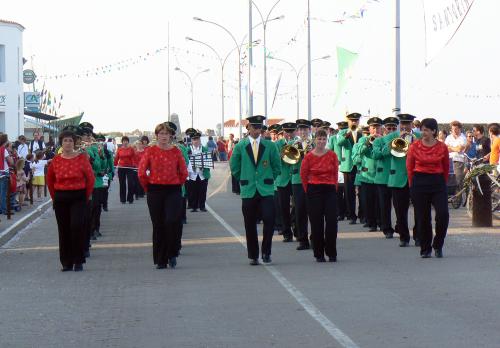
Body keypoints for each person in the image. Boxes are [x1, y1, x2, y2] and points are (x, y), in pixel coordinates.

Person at [229, 115, 281, 265]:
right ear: (248, 128)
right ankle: (253, 254)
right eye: (255, 127)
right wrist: (243, 179)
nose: (257, 130)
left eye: (260, 128)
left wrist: (270, 178)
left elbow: (276, 166)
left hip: (266, 189)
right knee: (249, 223)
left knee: (269, 220)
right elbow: (234, 166)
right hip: (248, 189)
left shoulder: (270, 146)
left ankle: (266, 252)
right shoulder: (240, 146)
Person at [138, 122, 188, 269]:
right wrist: (148, 187)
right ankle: (161, 259)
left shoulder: (176, 151)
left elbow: (183, 172)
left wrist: (177, 183)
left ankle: (172, 253)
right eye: (161, 134)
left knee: (172, 221)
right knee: (158, 224)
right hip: (155, 190)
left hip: (173, 190)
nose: (164, 136)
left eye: (166, 134)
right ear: (157, 135)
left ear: (171, 136)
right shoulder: (150, 151)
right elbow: (141, 172)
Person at [46, 129, 95, 271]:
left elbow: (90, 178)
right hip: (61, 197)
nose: (68, 143)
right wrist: (55, 197)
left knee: (76, 226)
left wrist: (86, 196)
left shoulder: (81, 158)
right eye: (65, 140)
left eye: (71, 140)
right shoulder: (56, 160)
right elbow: (50, 180)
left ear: (75, 143)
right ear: (61, 143)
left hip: (79, 197)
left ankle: (78, 259)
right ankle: (66, 262)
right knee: (64, 229)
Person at [407, 118, 449, 258]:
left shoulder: (442, 147)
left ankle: (438, 245)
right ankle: (425, 249)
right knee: (423, 218)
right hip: (419, 182)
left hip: (437, 182)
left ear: (434, 131)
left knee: (443, 215)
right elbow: (409, 167)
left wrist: (443, 184)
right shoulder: (414, 147)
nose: (423, 132)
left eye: (426, 130)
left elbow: (446, 168)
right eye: (422, 129)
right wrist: (412, 185)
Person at [376, 114, 421, 247]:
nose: (405, 126)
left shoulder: (418, 137)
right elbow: (383, 153)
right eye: (403, 123)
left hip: (415, 177)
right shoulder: (391, 136)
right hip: (397, 178)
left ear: (412, 124)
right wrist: (394, 141)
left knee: (419, 209)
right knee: (400, 210)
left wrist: (414, 141)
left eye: (408, 123)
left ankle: (418, 235)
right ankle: (404, 236)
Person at [300, 129, 339, 262]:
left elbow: (335, 173)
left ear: (326, 140)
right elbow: (303, 176)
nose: (321, 141)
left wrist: (333, 188)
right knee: (316, 223)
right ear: (315, 140)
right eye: (319, 139)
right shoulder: (308, 157)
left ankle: (331, 252)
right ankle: (319, 253)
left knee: (332, 222)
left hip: (329, 190)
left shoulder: (332, 155)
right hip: (313, 190)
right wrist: (309, 191)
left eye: (324, 139)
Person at [368, 117, 398, 238]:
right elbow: (376, 155)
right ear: (385, 128)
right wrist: (390, 142)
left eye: (394, 128)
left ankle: (399, 226)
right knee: (384, 205)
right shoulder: (378, 141)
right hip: (383, 177)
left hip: (396, 176)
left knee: (399, 205)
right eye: (389, 128)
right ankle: (387, 228)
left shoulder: (401, 139)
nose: (391, 130)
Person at [353, 117, 384, 232]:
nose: (375, 130)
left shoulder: (383, 139)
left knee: (380, 201)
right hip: (367, 176)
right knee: (368, 201)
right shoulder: (362, 140)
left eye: (377, 127)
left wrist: (380, 141)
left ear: (381, 128)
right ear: (370, 129)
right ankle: (371, 223)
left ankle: (381, 222)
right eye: (373, 128)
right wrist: (368, 142)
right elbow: (360, 152)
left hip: (380, 174)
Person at [336, 113, 363, 224]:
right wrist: (348, 133)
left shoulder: (362, 132)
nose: (354, 122)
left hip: (360, 164)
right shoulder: (343, 132)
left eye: (356, 120)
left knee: (362, 191)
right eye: (352, 120)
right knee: (349, 192)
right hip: (348, 165)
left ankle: (363, 215)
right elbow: (339, 143)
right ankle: (351, 215)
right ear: (348, 121)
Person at [291, 119, 314, 250]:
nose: (303, 132)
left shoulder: (315, 144)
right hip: (298, 180)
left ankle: (314, 238)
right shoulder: (293, 144)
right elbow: (289, 161)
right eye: (300, 130)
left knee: (314, 210)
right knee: (299, 210)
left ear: (309, 130)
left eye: (305, 130)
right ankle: (302, 239)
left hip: (312, 180)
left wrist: (312, 151)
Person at [275, 122, 297, 242]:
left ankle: (295, 226)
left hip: (294, 179)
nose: (289, 134)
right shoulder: (277, 144)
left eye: (291, 131)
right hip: (282, 179)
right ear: (283, 132)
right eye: (287, 131)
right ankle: (287, 233)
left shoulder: (298, 143)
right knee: (283, 208)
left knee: (297, 206)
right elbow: (275, 159)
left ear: (295, 132)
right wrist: (284, 152)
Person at [187, 130, 211, 212]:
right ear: (192, 141)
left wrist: (204, 166)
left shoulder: (205, 149)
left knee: (203, 191)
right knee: (193, 192)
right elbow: (185, 161)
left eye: (197, 139)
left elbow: (209, 161)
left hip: (202, 174)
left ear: (199, 140)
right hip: (192, 175)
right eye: (194, 139)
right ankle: (194, 207)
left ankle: (202, 206)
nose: (196, 141)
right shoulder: (188, 150)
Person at [445, 121, 467, 190]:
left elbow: (459, 149)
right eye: (452, 129)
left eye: (456, 129)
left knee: (458, 182)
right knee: (448, 181)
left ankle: (458, 200)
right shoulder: (448, 137)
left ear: (460, 129)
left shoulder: (463, 138)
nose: (454, 130)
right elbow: (445, 148)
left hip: (458, 161)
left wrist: (450, 147)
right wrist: (455, 148)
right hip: (448, 160)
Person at [114, 136, 136, 204]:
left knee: (130, 183)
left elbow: (134, 157)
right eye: (124, 141)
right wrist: (114, 165)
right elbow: (116, 158)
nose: (125, 142)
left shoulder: (131, 149)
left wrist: (134, 164)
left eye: (126, 141)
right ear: (122, 142)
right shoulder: (119, 149)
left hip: (130, 167)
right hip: (121, 167)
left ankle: (130, 198)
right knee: (122, 184)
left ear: (128, 142)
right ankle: (122, 199)